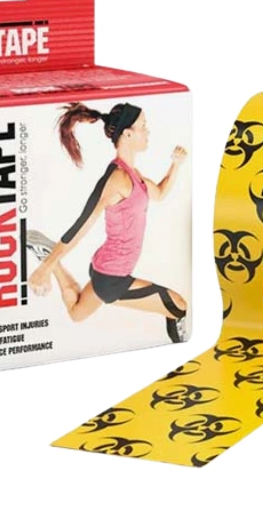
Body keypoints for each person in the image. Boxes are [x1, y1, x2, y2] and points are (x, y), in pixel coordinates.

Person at [26, 101, 189, 342]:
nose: (148, 131)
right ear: (128, 134)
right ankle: (180, 343)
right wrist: (44, 270)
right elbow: (82, 224)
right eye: (144, 126)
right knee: (178, 306)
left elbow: (160, 193)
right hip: (112, 277)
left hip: (106, 267)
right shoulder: (116, 179)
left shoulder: (133, 174)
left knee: (77, 313)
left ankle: (54, 261)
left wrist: (175, 164)